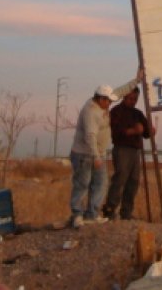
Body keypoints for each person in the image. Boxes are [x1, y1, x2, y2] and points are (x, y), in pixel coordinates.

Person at [69, 68, 142, 228]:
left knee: (100, 184)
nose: (110, 104)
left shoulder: (103, 104)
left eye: (110, 101)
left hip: (98, 153)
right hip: (84, 154)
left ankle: (92, 214)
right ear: (100, 98)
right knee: (82, 184)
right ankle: (77, 215)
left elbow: (120, 91)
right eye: (107, 101)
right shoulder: (91, 111)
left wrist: (136, 80)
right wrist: (95, 156)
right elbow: (90, 136)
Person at [103, 86, 156, 220]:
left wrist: (151, 131)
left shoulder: (137, 113)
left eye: (135, 99)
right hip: (122, 149)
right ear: (125, 97)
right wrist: (133, 131)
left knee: (133, 181)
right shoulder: (116, 112)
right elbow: (115, 132)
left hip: (135, 150)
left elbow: (146, 133)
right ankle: (109, 209)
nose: (133, 101)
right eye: (131, 98)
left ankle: (126, 212)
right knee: (120, 178)